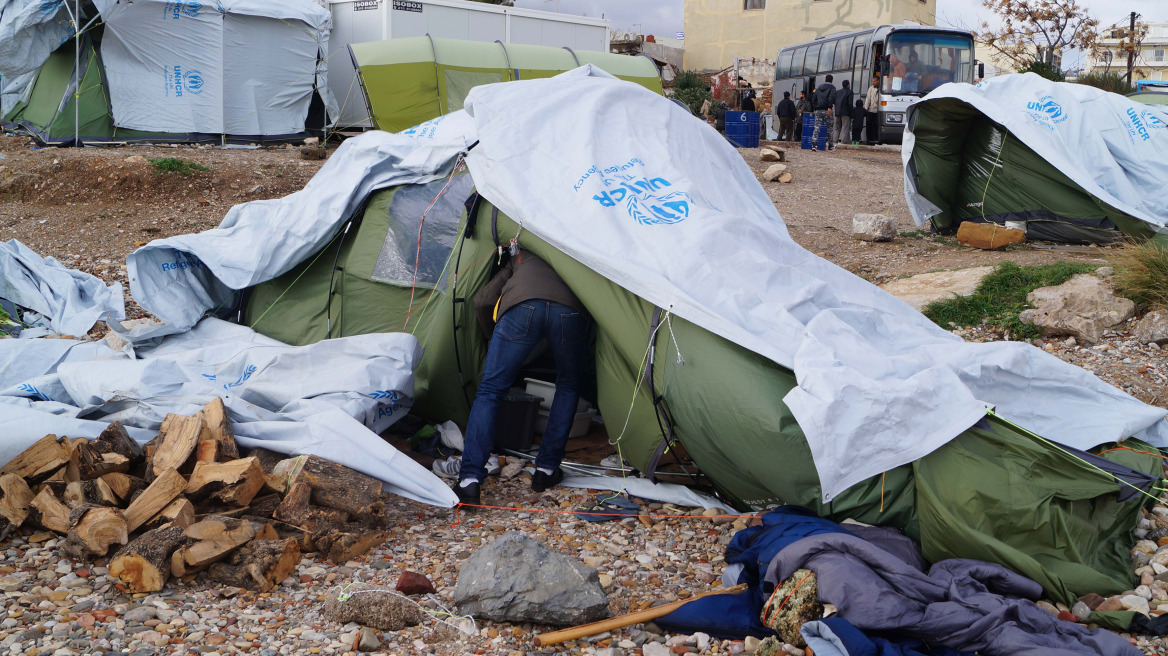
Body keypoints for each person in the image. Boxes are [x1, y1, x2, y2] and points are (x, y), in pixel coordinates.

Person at [455, 250, 591, 505]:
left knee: (491, 390)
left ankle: (469, 480)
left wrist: (491, 337)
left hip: (521, 307)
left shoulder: (521, 254)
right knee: (568, 386)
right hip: (570, 312)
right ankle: (546, 470)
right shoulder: (578, 249)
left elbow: (483, 300)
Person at [811, 75, 835, 152]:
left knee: (817, 128)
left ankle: (814, 145)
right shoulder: (832, 87)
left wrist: (816, 107)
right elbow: (831, 97)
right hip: (827, 110)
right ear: (832, 80)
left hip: (818, 110)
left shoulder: (818, 88)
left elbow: (814, 99)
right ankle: (830, 146)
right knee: (829, 128)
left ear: (825, 80)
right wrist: (829, 107)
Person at [831, 79, 854, 146]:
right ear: (848, 85)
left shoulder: (837, 92)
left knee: (837, 128)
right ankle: (844, 141)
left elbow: (833, 101)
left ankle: (834, 140)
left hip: (837, 112)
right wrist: (851, 112)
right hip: (845, 113)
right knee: (845, 127)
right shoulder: (850, 92)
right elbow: (850, 103)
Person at [864, 76, 880, 144]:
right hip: (870, 110)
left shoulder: (882, 88)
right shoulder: (871, 88)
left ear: (878, 81)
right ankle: (869, 139)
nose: (873, 83)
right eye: (873, 81)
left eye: (874, 81)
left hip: (878, 110)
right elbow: (868, 99)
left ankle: (876, 139)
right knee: (869, 126)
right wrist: (865, 110)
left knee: (876, 126)